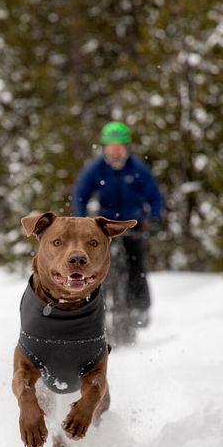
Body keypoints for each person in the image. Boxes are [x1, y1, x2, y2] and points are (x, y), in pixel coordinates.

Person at [72, 121, 164, 326]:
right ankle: (92, 308)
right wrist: (79, 218)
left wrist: (156, 218)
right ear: (104, 148)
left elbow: (154, 195)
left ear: (126, 147)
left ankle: (140, 308)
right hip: (106, 225)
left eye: (119, 146)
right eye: (111, 146)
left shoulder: (137, 168)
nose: (115, 150)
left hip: (133, 224)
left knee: (136, 265)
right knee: (96, 266)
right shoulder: (95, 169)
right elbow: (80, 194)